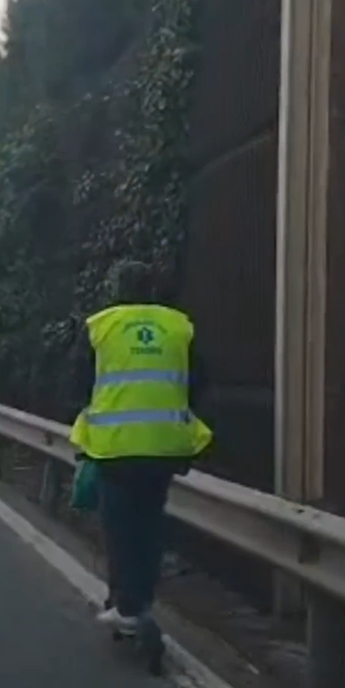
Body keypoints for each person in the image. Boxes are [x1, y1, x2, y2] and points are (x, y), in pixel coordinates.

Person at [70, 260, 213, 633]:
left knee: (119, 527)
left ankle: (127, 605)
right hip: (165, 446)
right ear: (152, 290)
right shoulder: (178, 326)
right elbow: (199, 380)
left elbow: (76, 378)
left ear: (115, 289)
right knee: (150, 524)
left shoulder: (101, 327)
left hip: (115, 447)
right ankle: (142, 599)